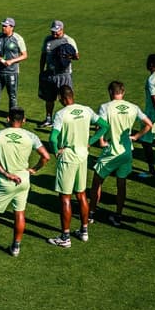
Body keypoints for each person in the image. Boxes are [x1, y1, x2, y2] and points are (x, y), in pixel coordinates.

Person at [0, 107, 50, 256]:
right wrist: (34, 169)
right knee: (19, 213)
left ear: (8, 119)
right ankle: (16, 247)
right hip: (24, 180)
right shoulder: (31, 136)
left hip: (4, 182)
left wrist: (6, 173)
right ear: (24, 120)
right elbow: (46, 156)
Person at [47, 86, 108, 248]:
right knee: (81, 194)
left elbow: (53, 138)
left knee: (65, 197)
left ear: (61, 98)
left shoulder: (61, 114)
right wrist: (90, 142)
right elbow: (104, 126)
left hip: (67, 158)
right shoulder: (86, 110)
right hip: (83, 157)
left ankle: (65, 237)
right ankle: (84, 231)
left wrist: (56, 152)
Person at [88, 81, 153, 226]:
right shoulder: (133, 107)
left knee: (97, 182)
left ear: (110, 92)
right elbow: (149, 124)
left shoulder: (105, 107)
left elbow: (101, 127)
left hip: (112, 151)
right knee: (121, 184)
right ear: (123, 92)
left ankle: (91, 213)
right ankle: (118, 215)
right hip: (127, 152)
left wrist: (101, 142)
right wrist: (136, 137)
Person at [0, 17, 28, 127]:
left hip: (12, 72)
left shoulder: (18, 39)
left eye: (5, 26)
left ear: (11, 27)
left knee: (12, 96)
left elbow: (25, 55)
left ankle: (12, 120)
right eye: (2, 25)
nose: (3, 27)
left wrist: (12, 61)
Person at [37, 20, 79, 128]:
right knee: (49, 99)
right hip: (50, 74)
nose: (54, 34)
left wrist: (65, 56)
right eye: (53, 32)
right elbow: (43, 56)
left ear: (62, 29)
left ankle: (72, 119)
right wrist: (41, 71)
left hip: (64, 74)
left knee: (66, 98)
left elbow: (77, 56)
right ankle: (48, 119)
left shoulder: (68, 40)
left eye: (57, 32)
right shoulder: (47, 40)